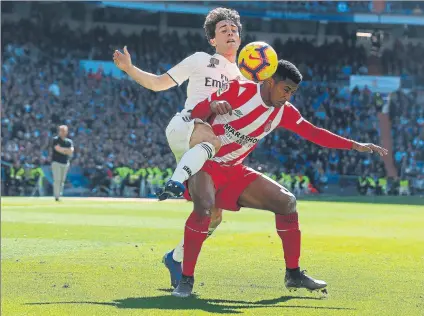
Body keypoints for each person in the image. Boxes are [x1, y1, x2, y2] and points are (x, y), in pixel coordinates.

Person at [169, 60, 388, 297]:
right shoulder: (238, 89)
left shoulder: (283, 112)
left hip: (233, 169)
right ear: (270, 81)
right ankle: (186, 279)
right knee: (204, 209)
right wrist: (212, 104)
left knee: (287, 202)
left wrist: (355, 145)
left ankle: (293, 274)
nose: (288, 97)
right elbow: (194, 114)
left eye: (293, 93)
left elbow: (313, 133)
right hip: (205, 164)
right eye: (286, 90)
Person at [113, 7, 244, 201]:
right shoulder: (201, 59)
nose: (230, 32)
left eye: (234, 29)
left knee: (211, 210)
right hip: (187, 125)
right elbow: (158, 83)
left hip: (204, 150)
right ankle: (176, 181)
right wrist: (129, 69)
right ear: (212, 40)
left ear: (240, 38)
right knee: (212, 140)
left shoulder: (243, 79)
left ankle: (180, 182)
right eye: (224, 30)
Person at [51, 125, 74, 201]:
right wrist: (66, 151)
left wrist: (64, 150)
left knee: (62, 180)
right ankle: (56, 196)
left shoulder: (69, 142)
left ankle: (60, 194)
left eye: (64, 131)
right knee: (57, 179)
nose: (63, 132)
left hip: (65, 162)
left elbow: (71, 151)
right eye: (61, 131)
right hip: (56, 162)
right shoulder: (56, 140)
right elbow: (58, 149)